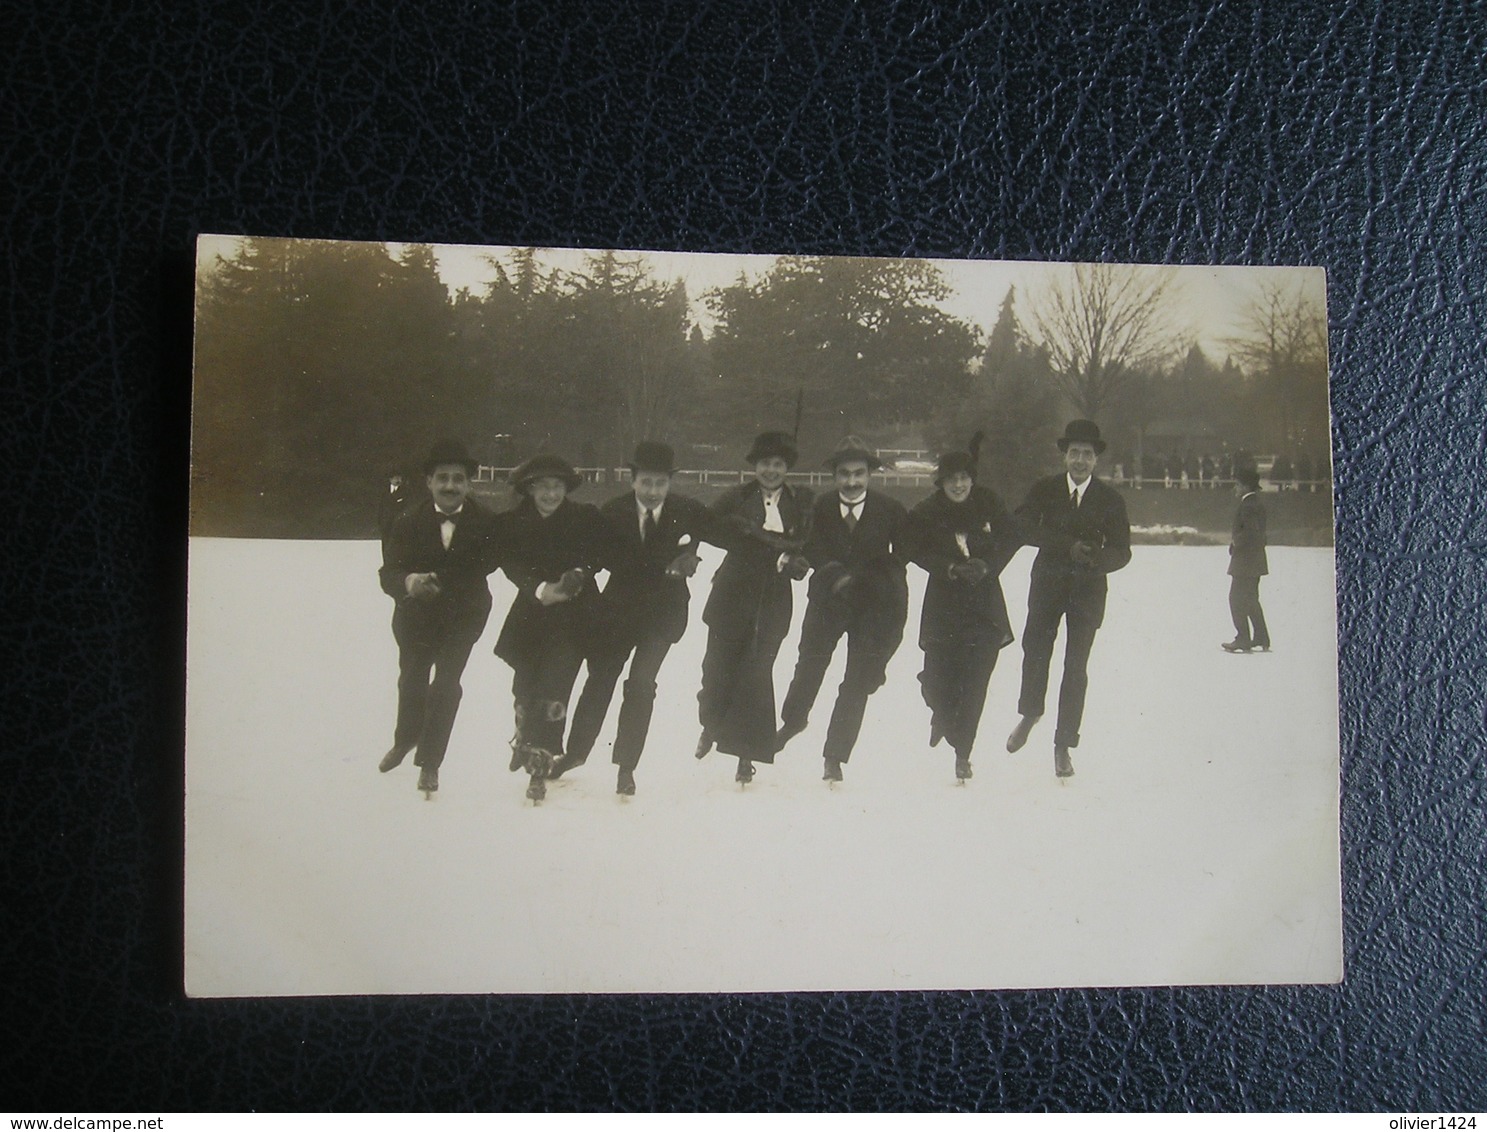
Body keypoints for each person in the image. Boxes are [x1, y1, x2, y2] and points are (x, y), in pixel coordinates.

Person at [553, 441, 712, 795]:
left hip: (664, 614)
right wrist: (580, 572)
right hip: (619, 610)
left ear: (669, 483)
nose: (653, 492)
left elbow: (716, 531)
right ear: (633, 480)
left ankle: (626, 766)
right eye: (646, 483)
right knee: (601, 677)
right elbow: (593, 554)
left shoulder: (686, 511)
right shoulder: (612, 512)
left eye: (660, 483)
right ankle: (575, 753)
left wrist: (690, 556)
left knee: (641, 683)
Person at [775, 437, 911, 784]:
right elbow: (809, 546)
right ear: (835, 476)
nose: (852, 482)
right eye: (845, 475)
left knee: (856, 682)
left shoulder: (891, 510)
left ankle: (834, 756)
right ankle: (793, 721)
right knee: (809, 666)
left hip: (872, 607)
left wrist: (868, 579)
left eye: (859, 474)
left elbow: (901, 557)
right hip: (827, 602)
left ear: (869, 476)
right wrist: (834, 574)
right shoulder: (818, 508)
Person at [1005, 420, 1132, 780]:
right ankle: (1030, 714)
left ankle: (1063, 744)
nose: (1080, 460)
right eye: (1074, 453)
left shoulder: (1110, 500)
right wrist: (1065, 546)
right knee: (1036, 651)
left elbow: (1123, 551)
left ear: (1096, 460)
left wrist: (1097, 560)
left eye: (1087, 455)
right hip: (1047, 585)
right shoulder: (1045, 490)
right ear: (1064, 455)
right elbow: (1024, 526)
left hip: (1087, 593)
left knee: (1075, 667)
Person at [377, 440, 503, 798]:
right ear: (429, 482)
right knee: (413, 678)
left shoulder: (486, 522)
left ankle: (430, 762)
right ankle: (405, 740)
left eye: (458, 479)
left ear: (469, 484)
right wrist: (410, 582)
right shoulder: (407, 520)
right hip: (416, 616)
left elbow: (492, 561)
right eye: (443, 478)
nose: (450, 486)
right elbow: (388, 571)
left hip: (464, 614)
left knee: (447, 682)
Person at [695, 431, 813, 785]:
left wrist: (793, 558)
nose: (771, 470)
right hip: (733, 593)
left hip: (773, 599)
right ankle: (711, 724)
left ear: (787, 468)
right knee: (716, 670)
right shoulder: (737, 496)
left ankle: (746, 755)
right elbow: (708, 526)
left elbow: (805, 541)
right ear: (755, 466)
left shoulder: (802, 500)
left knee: (756, 675)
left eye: (778, 464)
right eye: (765, 463)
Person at [493, 454, 612, 803]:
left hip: (575, 619)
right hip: (532, 614)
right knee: (526, 687)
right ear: (530, 489)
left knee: (555, 690)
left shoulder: (584, 518)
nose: (550, 494)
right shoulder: (513, 523)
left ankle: (539, 763)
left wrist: (582, 571)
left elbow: (603, 551)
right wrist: (539, 589)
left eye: (557, 486)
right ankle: (524, 735)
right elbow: (509, 563)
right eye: (543, 487)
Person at [906, 435, 1022, 782]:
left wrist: (988, 564)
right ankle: (941, 714)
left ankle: (963, 753)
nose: (959, 485)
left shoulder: (990, 503)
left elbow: (1011, 536)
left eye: (964, 478)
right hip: (944, 606)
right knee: (937, 682)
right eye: (951, 479)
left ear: (972, 479)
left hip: (985, 607)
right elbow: (913, 547)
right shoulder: (927, 511)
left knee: (975, 682)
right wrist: (949, 568)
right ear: (941, 482)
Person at [1223, 462, 1271, 653]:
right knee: (1251, 599)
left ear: (1245, 486)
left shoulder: (1248, 506)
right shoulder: (1256, 503)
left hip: (1245, 562)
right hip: (1255, 561)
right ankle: (1261, 636)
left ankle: (1242, 638)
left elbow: (1251, 532)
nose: (1235, 488)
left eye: (1237, 484)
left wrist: (1236, 542)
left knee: (1236, 598)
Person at [378, 470, 415, 539]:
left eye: (400, 478)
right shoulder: (384, 491)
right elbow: (381, 508)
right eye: (396, 478)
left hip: (399, 526)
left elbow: (408, 507)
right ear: (390, 479)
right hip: (386, 526)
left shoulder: (406, 491)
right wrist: (381, 522)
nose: (398, 480)